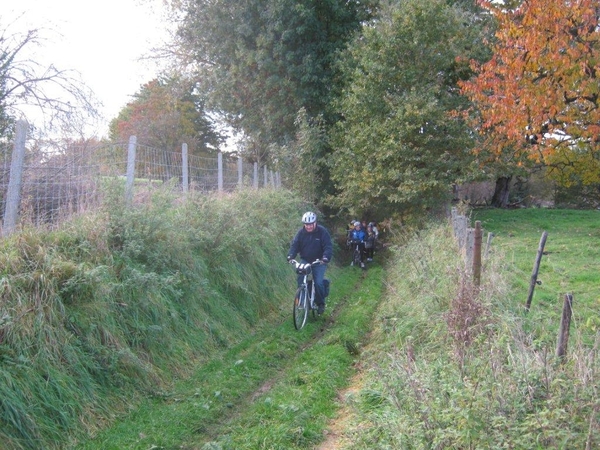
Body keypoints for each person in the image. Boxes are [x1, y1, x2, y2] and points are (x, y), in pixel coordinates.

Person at [287, 211, 333, 315]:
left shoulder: (322, 232)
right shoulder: (301, 233)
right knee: (300, 278)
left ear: (315, 223)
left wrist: (325, 257)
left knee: (318, 282)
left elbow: (328, 247)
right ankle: (302, 301)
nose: (308, 227)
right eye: (306, 225)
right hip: (305, 260)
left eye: (310, 224)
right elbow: (295, 246)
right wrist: (290, 256)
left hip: (319, 261)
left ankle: (320, 303)